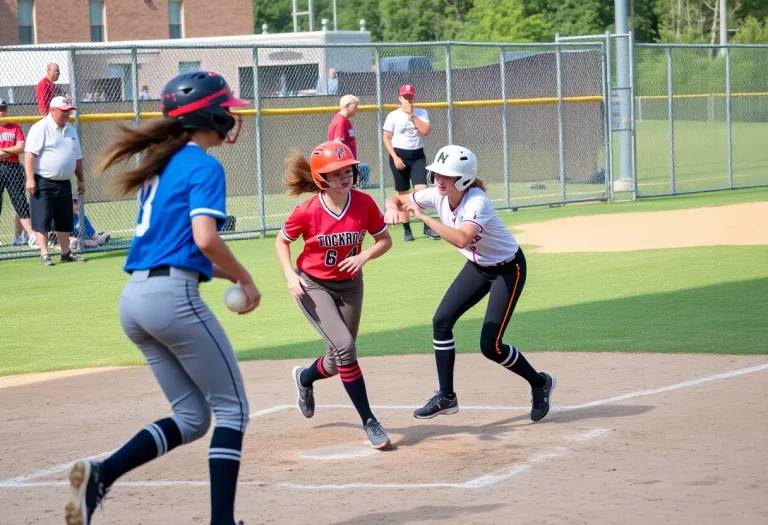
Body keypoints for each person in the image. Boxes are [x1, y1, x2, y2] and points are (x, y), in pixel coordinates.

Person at [64, 71, 259, 525]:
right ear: (209, 114)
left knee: (193, 417)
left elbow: (185, 248)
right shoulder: (204, 165)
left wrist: (228, 273)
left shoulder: (162, 163)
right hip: (172, 298)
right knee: (232, 409)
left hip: (135, 301)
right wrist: (246, 279)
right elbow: (206, 239)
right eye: (226, 107)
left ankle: (101, 475)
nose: (231, 114)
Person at [383, 145, 555, 421]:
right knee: (441, 320)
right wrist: (392, 208)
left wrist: (424, 217)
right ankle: (446, 397)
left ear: (462, 179)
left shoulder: (477, 202)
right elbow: (395, 199)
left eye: (446, 175)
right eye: (436, 173)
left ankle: (540, 383)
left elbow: (462, 238)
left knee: (491, 346)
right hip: (478, 266)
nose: (439, 179)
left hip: (507, 269)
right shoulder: (436, 194)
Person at [276, 141, 393, 449]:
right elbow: (282, 241)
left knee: (335, 359)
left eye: (348, 170)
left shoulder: (364, 203)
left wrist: (364, 256)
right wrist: (290, 275)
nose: (345, 177)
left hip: (351, 284)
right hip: (313, 285)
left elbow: (384, 240)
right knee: (346, 347)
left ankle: (304, 378)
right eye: (335, 173)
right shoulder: (308, 210)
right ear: (320, 180)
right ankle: (370, 420)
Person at [24, 96, 87, 266]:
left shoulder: (71, 130)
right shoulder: (41, 128)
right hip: (43, 181)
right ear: (52, 110)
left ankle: (65, 253)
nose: (67, 114)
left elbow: (77, 157)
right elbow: (29, 155)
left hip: (64, 183)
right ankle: (45, 254)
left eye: (69, 111)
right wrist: (30, 179)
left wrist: (81, 179)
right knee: (42, 219)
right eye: (64, 111)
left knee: (64, 219)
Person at [383, 84, 439, 242]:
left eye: (410, 97)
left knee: (421, 192)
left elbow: (426, 131)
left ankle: (426, 225)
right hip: (399, 156)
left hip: (417, 156)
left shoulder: (421, 113)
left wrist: (412, 116)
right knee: (403, 194)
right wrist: (395, 157)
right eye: (405, 97)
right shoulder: (393, 115)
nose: (408, 100)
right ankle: (407, 229)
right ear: (399, 98)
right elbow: (386, 138)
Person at [0, 99, 36, 246]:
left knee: (20, 201)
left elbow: (21, 147)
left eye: (4, 108)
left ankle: (31, 236)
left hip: (13, 168)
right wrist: (11, 149)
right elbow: (16, 147)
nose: (1, 112)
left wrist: (2, 152)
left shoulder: (14, 127)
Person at [328, 94, 358, 159]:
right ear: (347, 106)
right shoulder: (341, 121)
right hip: (346, 164)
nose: (356, 109)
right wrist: (344, 164)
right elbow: (338, 143)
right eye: (355, 107)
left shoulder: (344, 120)